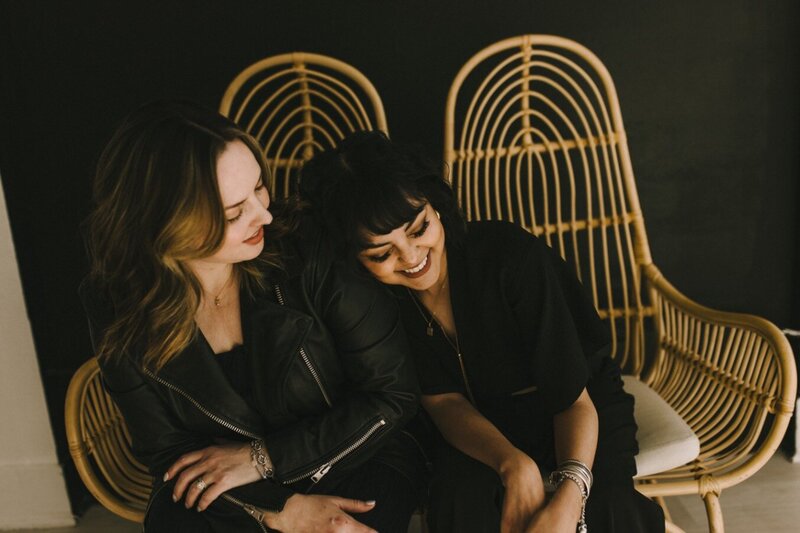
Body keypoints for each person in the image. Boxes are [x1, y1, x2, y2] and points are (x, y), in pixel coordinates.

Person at [80, 102, 426, 533]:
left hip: (353, 454)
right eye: (232, 212)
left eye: (259, 189)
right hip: (227, 490)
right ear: (166, 224)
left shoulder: (308, 248)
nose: (263, 214)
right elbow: (165, 447)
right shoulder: (116, 302)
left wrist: (263, 458)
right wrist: (279, 507)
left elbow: (392, 396)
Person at [297, 131, 666, 533]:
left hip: (577, 409)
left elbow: (572, 399)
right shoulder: (374, 303)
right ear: (354, 259)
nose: (411, 258)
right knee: (461, 502)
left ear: (435, 206)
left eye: (418, 229)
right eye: (382, 253)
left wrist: (571, 491)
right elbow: (443, 403)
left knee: (601, 510)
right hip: (477, 429)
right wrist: (514, 465)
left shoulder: (509, 258)